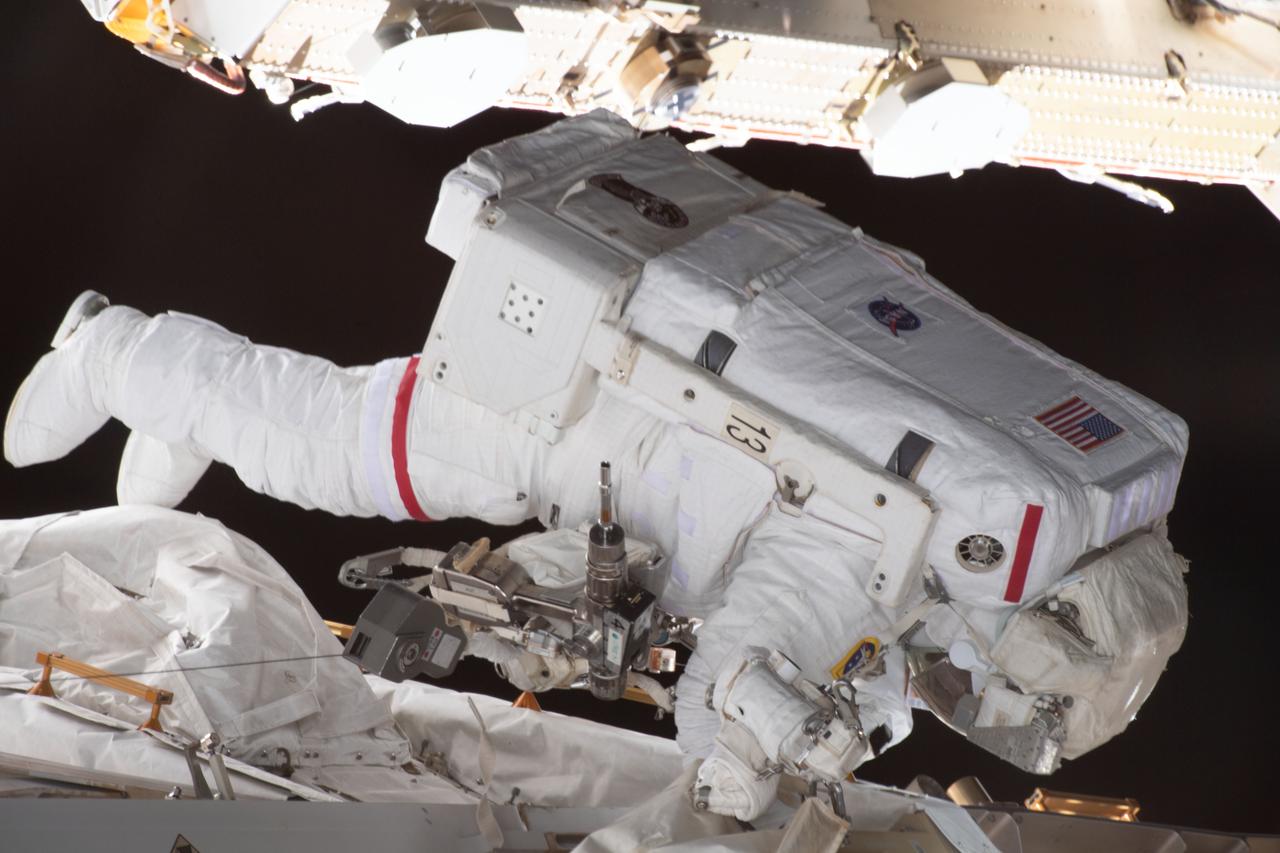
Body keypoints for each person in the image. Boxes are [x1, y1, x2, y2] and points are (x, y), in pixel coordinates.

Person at [3, 112, 1190, 820]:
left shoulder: (948, 557)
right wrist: (733, 788)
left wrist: (841, 738)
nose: (960, 704)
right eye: (985, 698)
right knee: (329, 447)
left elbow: (866, 665)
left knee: (319, 432)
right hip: (570, 413)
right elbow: (736, 671)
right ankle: (116, 351)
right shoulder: (896, 552)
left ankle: (187, 399)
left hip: (622, 442)